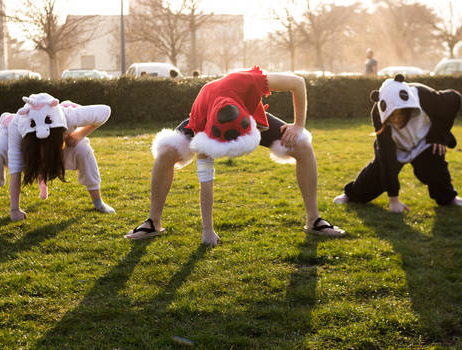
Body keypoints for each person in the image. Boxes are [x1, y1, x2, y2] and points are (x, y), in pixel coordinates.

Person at [125, 66, 345, 245]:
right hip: (205, 114)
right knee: (165, 153)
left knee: (303, 146)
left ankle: (314, 220)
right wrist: (208, 230)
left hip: (245, 109)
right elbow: (206, 177)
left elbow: (298, 82)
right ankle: (153, 222)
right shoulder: (203, 123)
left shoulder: (249, 80)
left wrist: (298, 125)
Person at [0, 93, 115, 220]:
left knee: (83, 148)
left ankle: (98, 202)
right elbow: (15, 170)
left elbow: (105, 111)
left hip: (58, 144)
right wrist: (14, 210)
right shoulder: (18, 123)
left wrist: (79, 134)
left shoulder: (68, 116)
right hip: (18, 140)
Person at [334, 74, 462, 212]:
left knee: (435, 169)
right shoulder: (378, 113)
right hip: (395, 145)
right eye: (392, 116)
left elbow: (454, 98)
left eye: (401, 114)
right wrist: (394, 200)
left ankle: (448, 198)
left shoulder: (423, 95)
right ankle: (352, 195)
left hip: (424, 140)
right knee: (377, 172)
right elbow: (386, 158)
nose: (397, 120)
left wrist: (439, 136)